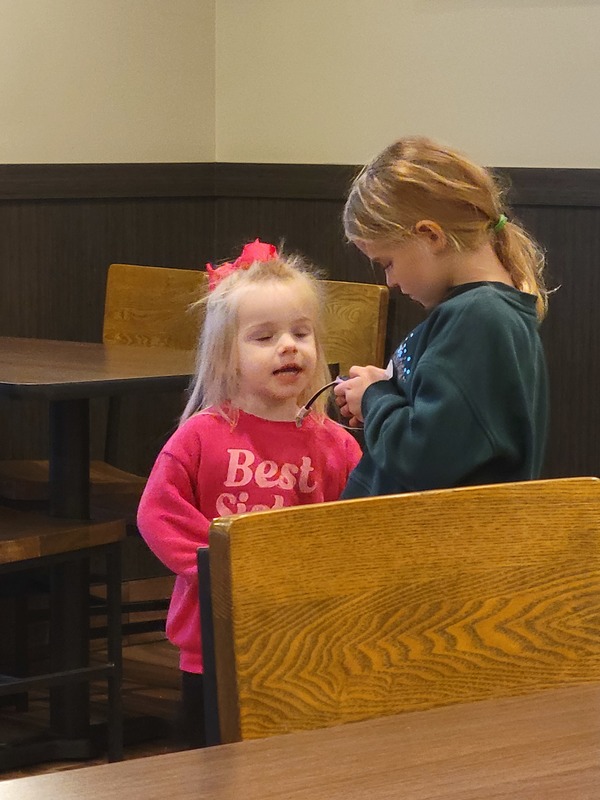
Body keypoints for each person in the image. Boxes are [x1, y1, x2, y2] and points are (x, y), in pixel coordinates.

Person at [137, 239, 362, 748]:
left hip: (307, 634)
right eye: (264, 337)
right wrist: (225, 567)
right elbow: (159, 512)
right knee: (210, 759)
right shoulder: (201, 436)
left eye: (301, 333)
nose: (289, 346)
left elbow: (359, 527)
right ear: (226, 355)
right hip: (214, 640)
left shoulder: (338, 447)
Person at [334, 135, 549, 499]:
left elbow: (427, 458)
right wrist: (382, 391)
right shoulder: (474, 314)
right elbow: (447, 427)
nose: (391, 281)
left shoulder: (480, 319)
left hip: (429, 547)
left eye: (388, 262)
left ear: (430, 235)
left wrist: (375, 399)